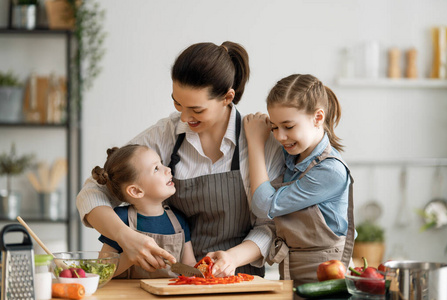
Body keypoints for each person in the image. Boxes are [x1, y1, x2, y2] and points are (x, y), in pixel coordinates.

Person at [76, 41, 285, 277]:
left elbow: (270, 225)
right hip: (171, 282)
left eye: (196, 109)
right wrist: (125, 237)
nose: (184, 117)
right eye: (177, 103)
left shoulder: (261, 142)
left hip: (237, 280)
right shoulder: (166, 133)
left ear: (228, 97)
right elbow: (94, 191)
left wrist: (232, 258)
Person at [243, 74, 355, 286]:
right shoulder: (291, 157)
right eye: (274, 127)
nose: (279, 136)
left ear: (318, 117)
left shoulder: (330, 171)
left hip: (325, 280)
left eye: (288, 126)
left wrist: (255, 143)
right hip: (291, 273)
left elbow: (264, 206)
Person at [92, 144, 196, 278]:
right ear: (136, 191)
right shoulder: (120, 219)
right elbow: (101, 271)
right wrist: (130, 256)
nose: (168, 169)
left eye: (162, 163)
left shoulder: (179, 221)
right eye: (156, 168)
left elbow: (190, 264)